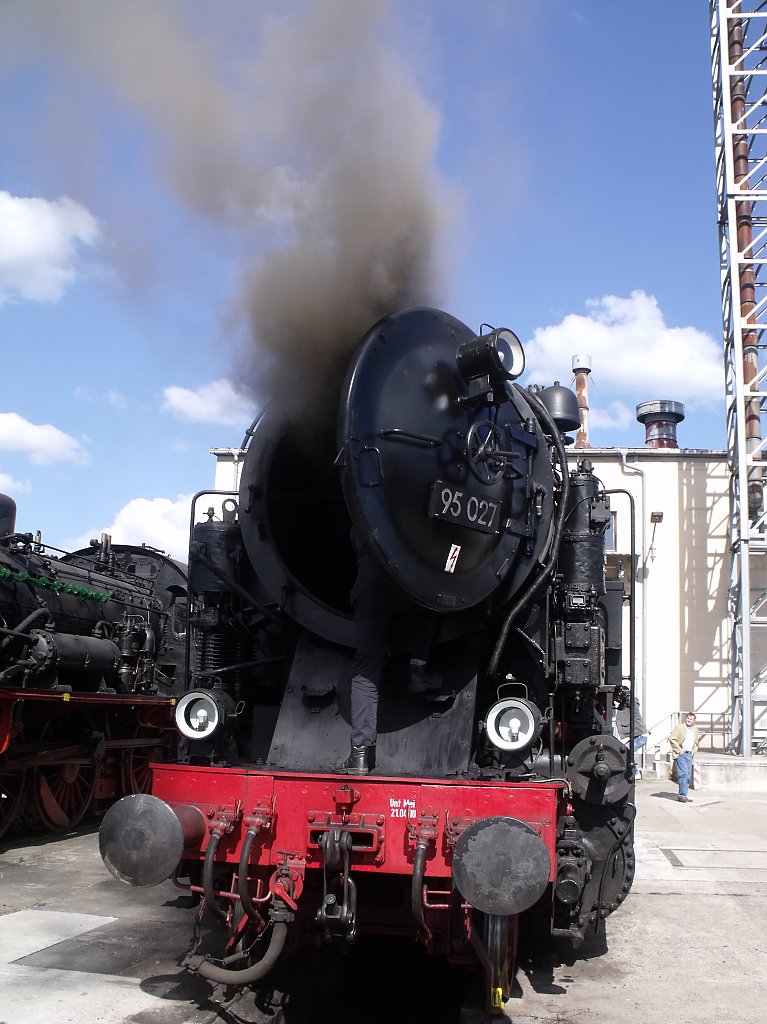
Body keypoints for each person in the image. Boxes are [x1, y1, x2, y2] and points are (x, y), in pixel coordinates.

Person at [337, 528, 441, 774]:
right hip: (410, 586)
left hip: (370, 590)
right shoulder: (410, 510)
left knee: (366, 668)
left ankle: (361, 755)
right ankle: (418, 666)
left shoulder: (361, 512)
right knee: (434, 602)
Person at [668, 711, 701, 803]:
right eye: (687, 718)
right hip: (682, 754)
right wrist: (678, 750)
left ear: (694, 721)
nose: (689, 720)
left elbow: (696, 742)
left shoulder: (695, 730)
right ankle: (682, 795)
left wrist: (694, 751)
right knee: (684, 774)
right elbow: (672, 738)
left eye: (691, 719)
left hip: (690, 754)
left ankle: (684, 795)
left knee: (687, 776)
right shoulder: (680, 728)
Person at [615, 693, 648, 780]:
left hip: (640, 736)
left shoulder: (633, 706)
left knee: (628, 751)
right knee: (626, 750)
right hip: (637, 736)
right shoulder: (626, 707)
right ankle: (632, 773)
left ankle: (635, 772)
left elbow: (633, 701)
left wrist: (626, 696)